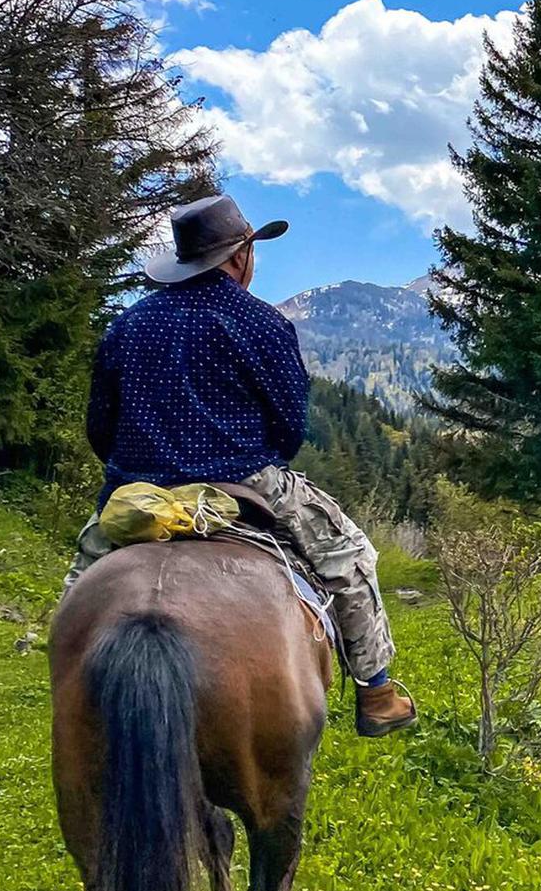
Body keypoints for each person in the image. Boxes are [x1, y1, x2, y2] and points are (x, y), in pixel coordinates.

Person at [64, 193, 416, 737]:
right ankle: (377, 693)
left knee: (80, 586)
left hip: (140, 490)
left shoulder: (128, 326)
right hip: (245, 480)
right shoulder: (261, 323)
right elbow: (288, 430)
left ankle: (67, 685)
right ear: (240, 255)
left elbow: (100, 430)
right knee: (350, 557)